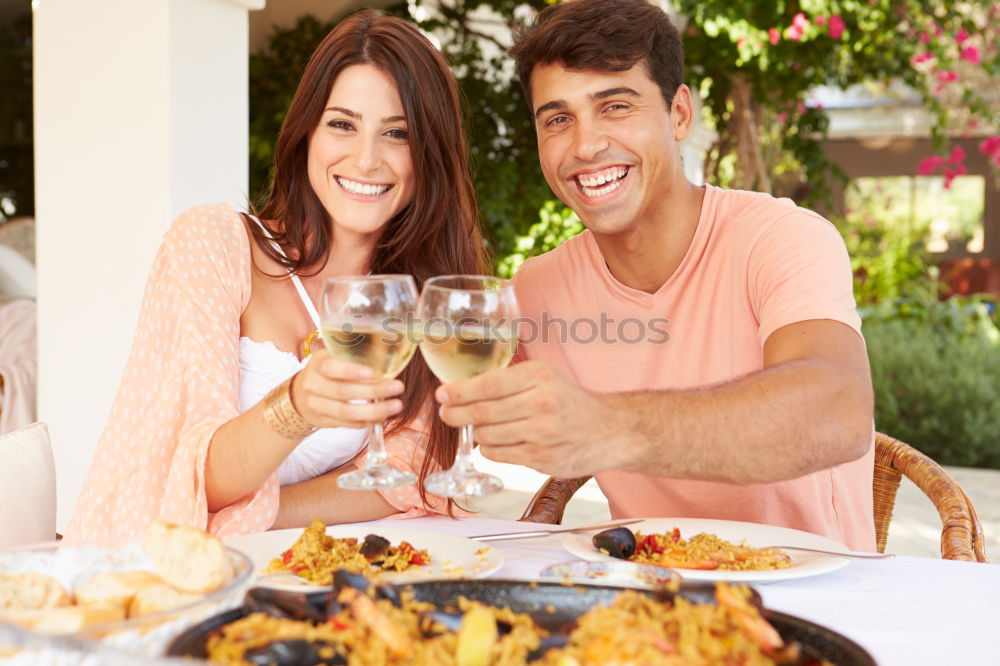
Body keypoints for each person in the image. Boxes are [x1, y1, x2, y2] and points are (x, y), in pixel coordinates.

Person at [435, 0, 877, 550]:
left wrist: (607, 427)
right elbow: (440, 417)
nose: (586, 145)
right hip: (643, 597)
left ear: (680, 114)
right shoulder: (538, 288)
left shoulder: (782, 238)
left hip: (812, 594)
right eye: (557, 119)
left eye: (615, 106)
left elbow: (838, 412)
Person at [66, 10, 484, 541]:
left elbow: (407, 474)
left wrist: (253, 517)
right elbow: (199, 475)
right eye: (342, 124)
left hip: (288, 574)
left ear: (429, 157)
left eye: (397, 133)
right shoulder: (215, 244)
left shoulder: (418, 295)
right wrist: (296, 406)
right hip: (161, 580)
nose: (366, 158)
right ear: (306, 132)